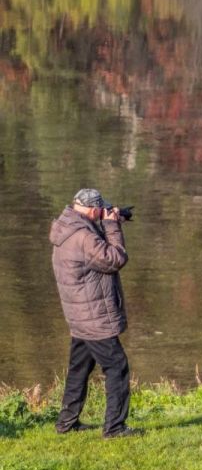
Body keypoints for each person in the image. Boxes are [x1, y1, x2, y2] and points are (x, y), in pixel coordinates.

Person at [50, 188, 142, 438]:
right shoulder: (83, 236)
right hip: (94, 316)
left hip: (79, 313)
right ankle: (115, 428)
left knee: (79, 368)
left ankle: (67, 422)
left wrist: (110, 221)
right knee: (117, 366)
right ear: (92, 210)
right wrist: (112, 226)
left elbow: (91, 253)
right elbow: (114, 259)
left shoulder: (68, 227)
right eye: (100, 209)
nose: (103, 212)